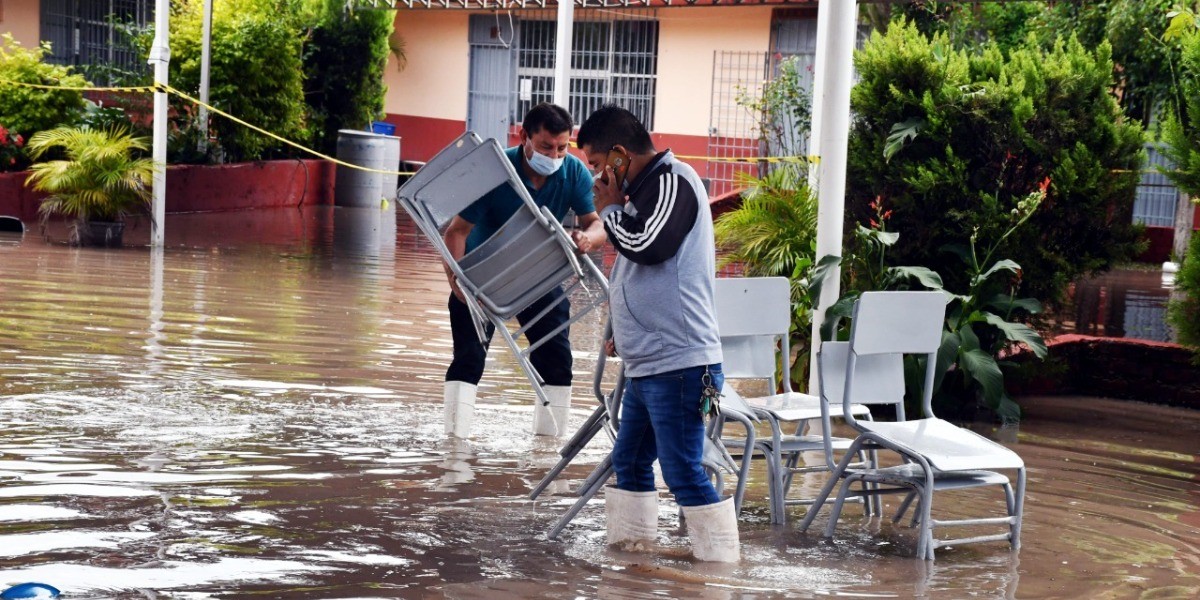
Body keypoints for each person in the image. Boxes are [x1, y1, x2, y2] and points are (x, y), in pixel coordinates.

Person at [576, 105, 739, 562]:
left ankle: (721, 575)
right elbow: (641, 274)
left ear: (620, 156)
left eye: (596, 165)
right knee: (629, 462)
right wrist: (623, 329)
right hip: (651, 362)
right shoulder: (639, 196)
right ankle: (633, 566)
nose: (595, 178)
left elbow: (647, 246)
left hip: (681, 363)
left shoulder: (675, 180)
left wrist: (607, 212)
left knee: (683, 470)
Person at [441, 103, 606, 439]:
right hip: (481, 276)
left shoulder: (572, 171)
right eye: (546, 146)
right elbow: (455, 232)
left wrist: (587, 240)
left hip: (538, 275)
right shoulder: (495, 169)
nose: (554, 155)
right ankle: (454, 446)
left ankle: (548, 448)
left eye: (562, 147)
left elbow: (597, 224)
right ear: (524, 137)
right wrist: (458, 284)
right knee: (468, 358)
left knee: (557, 359)